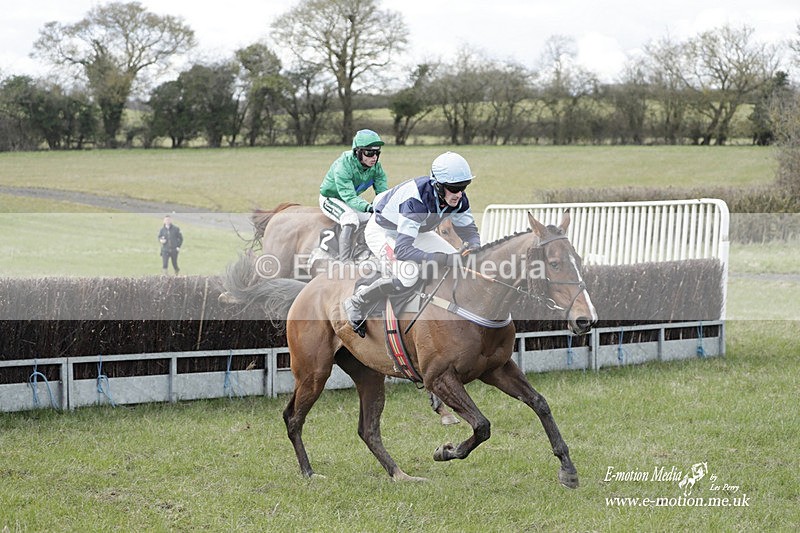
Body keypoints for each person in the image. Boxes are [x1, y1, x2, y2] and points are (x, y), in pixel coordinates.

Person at [343, 151, 481, 332]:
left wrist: (475, 249)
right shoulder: (416, 201)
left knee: (457, 263)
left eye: (464, 186)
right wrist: (442, 259)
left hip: (416, 231)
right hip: (383, 231)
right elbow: (403, 250)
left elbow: (469, 231)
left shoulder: (459, 199)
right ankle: (357, 300)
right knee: (409, 275)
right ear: (438, 186)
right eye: (454, 188)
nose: (459, 194)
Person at [319, 129, 389, 260]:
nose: (374, 157)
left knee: (373, 218)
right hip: (330, 199)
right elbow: (349, 196)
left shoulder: (376, 168)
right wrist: (368, 207)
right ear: (358, 152)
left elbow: (383, 193)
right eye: (369, 153)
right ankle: (344, 261)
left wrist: (382, 206)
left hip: (349, 199)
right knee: (350, 219)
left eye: (377, 153)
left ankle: (362, 250)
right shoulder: (343, 166)